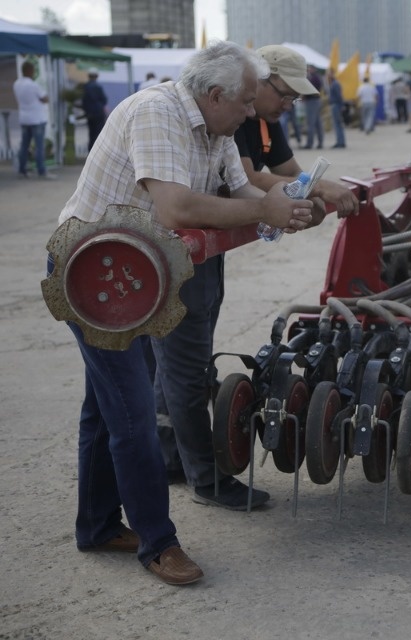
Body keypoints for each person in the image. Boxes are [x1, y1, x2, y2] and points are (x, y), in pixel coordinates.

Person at [53, 41, 314, 586]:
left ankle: (98, 525)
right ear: (214, 93)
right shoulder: (157, 112)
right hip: (95, 272)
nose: (251, 113)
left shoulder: (215, 127)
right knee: (131, 416)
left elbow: (243, 190)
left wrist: (288, 204)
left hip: (138, 271)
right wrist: (263, 207)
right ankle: (158, 543)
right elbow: (175, 205)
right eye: (245, 102)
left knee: (104, 411)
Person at [152, 44, 357, 513]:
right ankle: (203, 477)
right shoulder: (205, 117)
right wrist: (294, 201)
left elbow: (275, 180)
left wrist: (299, 201)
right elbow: (231, 189)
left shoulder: (249, 121)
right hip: (172, 250)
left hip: (197, 249)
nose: (288, 105)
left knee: (176, 359)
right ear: (255, 84)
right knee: (183, 364)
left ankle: (169, 456)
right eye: (283, 94)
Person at [14, 60, 54, 180]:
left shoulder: (16, 83)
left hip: (24, 118)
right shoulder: (33, 85)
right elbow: (45, 98)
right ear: (30, 71)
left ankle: (22, 170)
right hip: (37, 119)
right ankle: (42, 171)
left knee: (24, 146)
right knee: (39, 146)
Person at [81, 71, 108, 151]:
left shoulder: (85, 87)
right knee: (99, 133)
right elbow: (104, 100)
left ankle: (90, 151)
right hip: (98, 113)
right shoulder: (98, 87)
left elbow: (84, 101)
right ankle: (98, 151)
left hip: (89, 113)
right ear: (96, 77)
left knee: (91, 133)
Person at [302, 64, 324, 149]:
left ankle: (309, 143)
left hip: (312, 101)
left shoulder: (313, 78)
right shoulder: (317, 77)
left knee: (310, 123)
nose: (308, 70)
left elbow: (309, 90)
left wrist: (304, 96)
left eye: (310, 68)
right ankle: (320, 142)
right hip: (316, 101)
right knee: (318, 123)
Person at [327, 69, 347, 148]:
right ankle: (340, 141)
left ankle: (340, 142)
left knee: (337, 124)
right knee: (337, 124)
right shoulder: (333, 84)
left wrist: (341, 105)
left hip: (336, 105)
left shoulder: (335, 84)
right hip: (335, 105)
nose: (328, 76)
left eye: (329, 74)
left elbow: (339, 96)